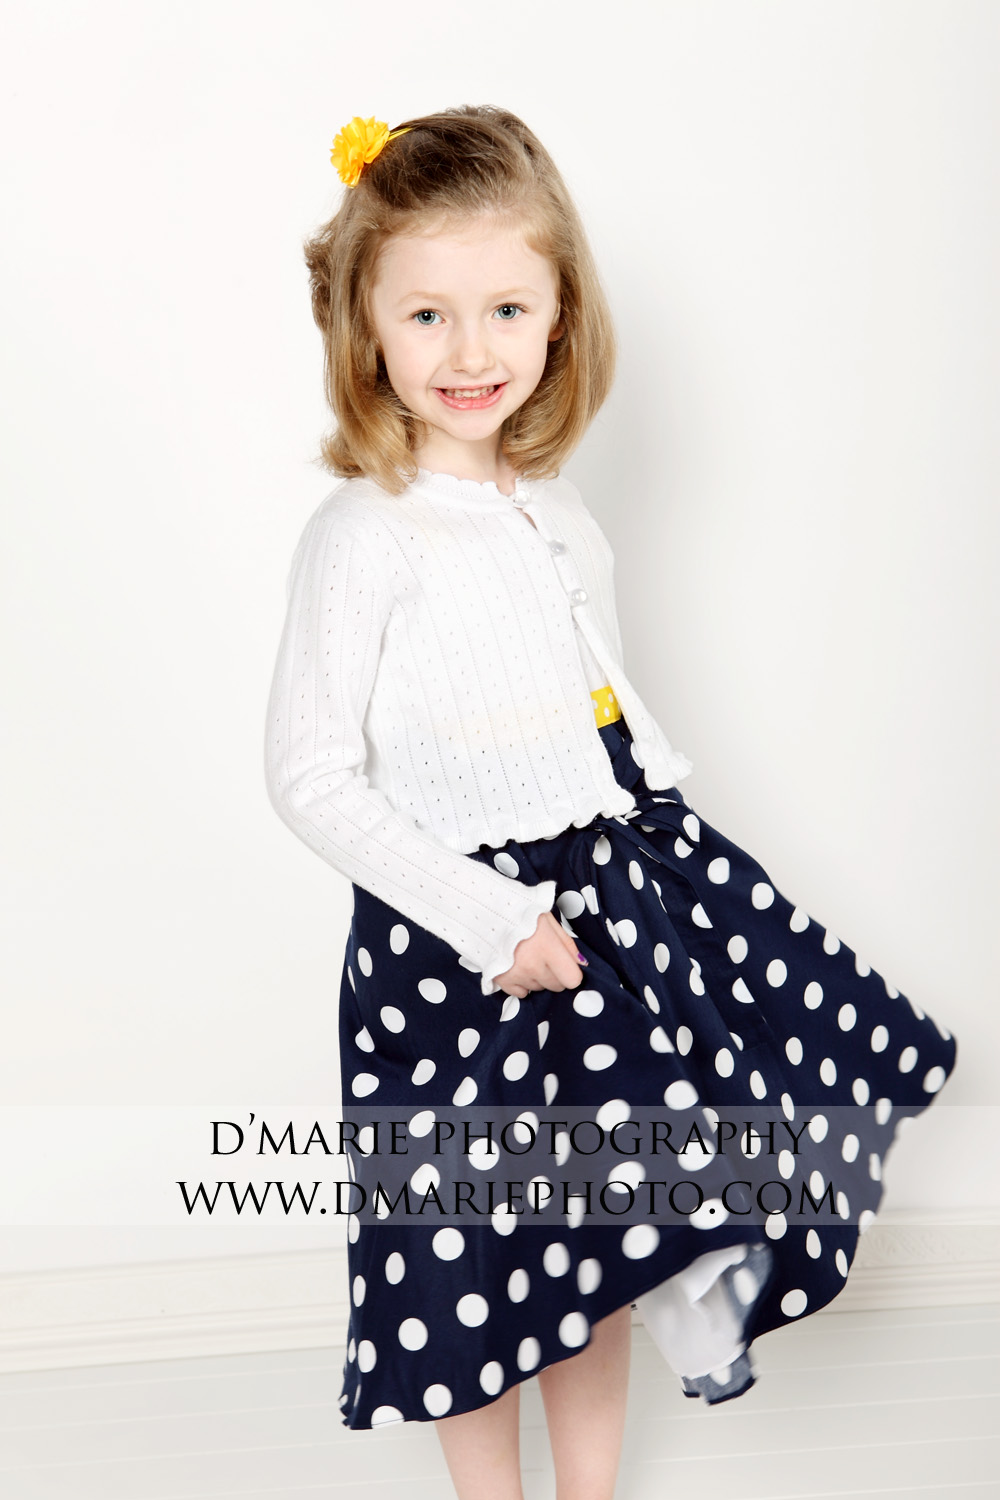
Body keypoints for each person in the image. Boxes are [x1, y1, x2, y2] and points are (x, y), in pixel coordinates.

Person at [263, 105, 958, 1500]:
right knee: (478, 1257)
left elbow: (595, 715)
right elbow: (310, 776)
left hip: (602, 919)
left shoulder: (563, 513)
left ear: (561, 317)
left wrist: (664, 854)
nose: (471, 352)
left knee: (607, 1235)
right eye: (427, 315)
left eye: (507, 310)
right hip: (454, 956)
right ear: (366, 331)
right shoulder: (364, 537)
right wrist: (490, 920)